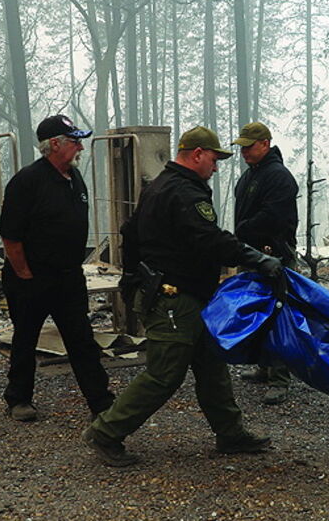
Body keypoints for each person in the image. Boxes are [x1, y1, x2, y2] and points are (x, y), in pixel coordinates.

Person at [82, 126, 285, 467]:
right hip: (174, 298)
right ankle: (106, 432)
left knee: (211, 364)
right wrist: (257, 259)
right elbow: (210, 239)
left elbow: (130, 232)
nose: (216, 168)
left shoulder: (160, 186)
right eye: (214, 160)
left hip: (187, 294)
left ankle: (230, 433)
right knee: (164, 374)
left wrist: (132, 277)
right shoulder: (184, 192)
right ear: (197, 155)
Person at [0, 114, 115, 422]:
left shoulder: (74, 178)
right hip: (31, 277)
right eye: (75, 142)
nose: (80, 148)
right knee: (26, 338)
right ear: (54, 144)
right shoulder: (26, 182)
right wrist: (24, 274)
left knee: (82, 340)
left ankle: (102, 403)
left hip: (68, 277)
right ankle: (18, 399)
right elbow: (10, 236)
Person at [231, 122, 299, 405]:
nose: (244, 151)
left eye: (249, 146)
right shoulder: (250, 175)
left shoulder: (279, 177)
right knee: (257, 313)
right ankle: (263, 366)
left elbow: (273, 218)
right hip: (252, 255)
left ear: (265, 144)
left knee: (278, 316)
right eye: (242, 147)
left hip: (275, 256)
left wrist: (242, 232)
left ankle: (280, 378)